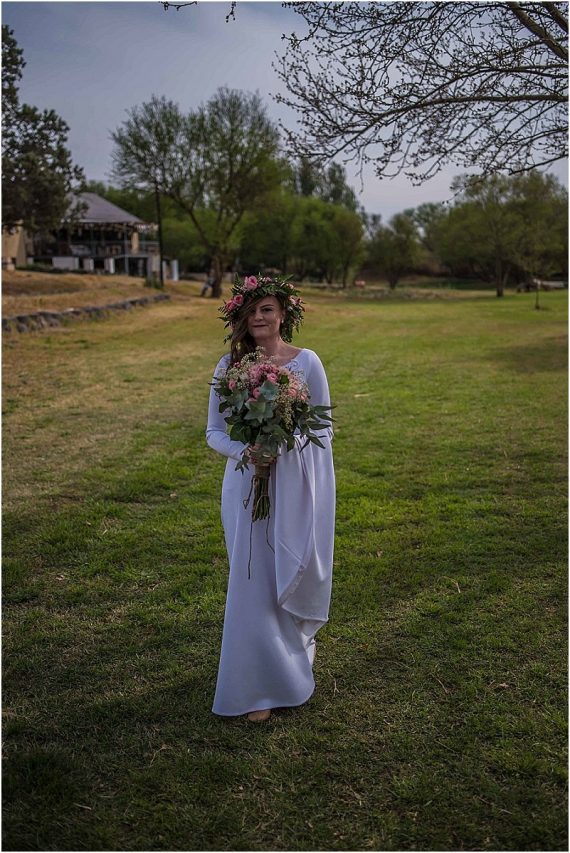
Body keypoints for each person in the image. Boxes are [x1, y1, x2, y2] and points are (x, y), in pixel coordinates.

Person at [205, 275, 336, 722]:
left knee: (284, 567)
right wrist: (246, 452)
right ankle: (256, 686)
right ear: (240, 317)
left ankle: (288, 663)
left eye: (267, 309)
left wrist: (283, 447)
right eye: (251, 311)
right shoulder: (229, 366)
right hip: (245, 485)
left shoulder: (307, 362)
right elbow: (213, 432)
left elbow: (322, 427)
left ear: (284, 315)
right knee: (252, 579)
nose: (259, 317)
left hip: (291, 484)